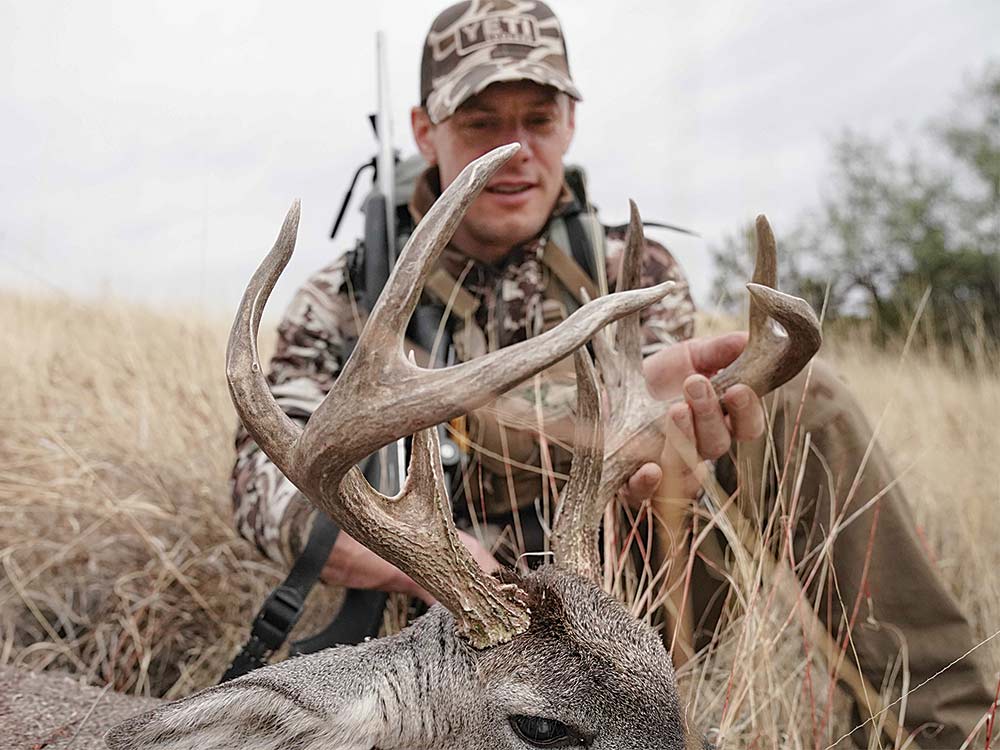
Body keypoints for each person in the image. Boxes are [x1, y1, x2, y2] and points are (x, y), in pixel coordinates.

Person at [230, 1, 995, 746]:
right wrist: (432, 559)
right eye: (481, 123)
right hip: (444, 644)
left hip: (614, 605)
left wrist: (670, 438)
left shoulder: (633, 271)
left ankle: (946, 731)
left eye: (539, 118)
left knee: (805, 399)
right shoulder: (343, 295)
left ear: (570, 121)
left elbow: (664, 475)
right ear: (425, 132)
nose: (517, 148)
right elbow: (264, 482)